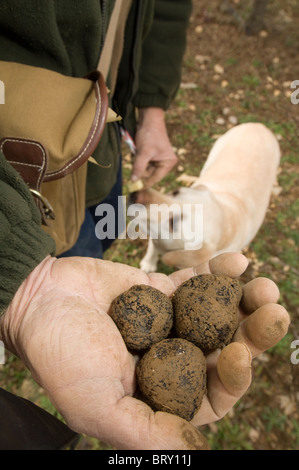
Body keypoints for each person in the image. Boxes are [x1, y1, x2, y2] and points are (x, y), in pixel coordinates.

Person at [0, 0, 290, 450]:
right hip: (21, 137)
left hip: (104, 141)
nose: (149, 209)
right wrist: (23, 287)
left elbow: (165, 7)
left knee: (95, 237)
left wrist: (152, 106)